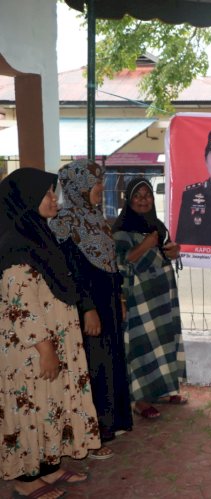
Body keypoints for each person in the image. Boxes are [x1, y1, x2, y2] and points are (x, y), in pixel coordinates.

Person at [0, 168, 100, 499]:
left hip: (49, 342)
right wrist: (45, 348)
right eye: (46, 194)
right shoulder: (14, 246)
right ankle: (25, 478)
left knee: (48, 404)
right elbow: (20, 306)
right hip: (31, 347)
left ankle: (48, 464)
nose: (53, 198)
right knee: (31, 406)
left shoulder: (38, 237)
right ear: (26, 199)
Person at [48, 160, 133, 459]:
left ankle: (109, 422)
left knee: (109, 357)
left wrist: (119, 300)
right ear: (78, 186)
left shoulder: (94, 218)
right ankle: (93, 431)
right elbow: (71, 271)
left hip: (107, 298)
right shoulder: (64, 221)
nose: (101, 188)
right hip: (89, 302)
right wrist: (88, 308)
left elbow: (111, 265)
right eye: (95, 183)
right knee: (93, 361)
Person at [113, 178, 186, 420]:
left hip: (162, 296)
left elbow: (165, 251)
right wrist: (145, 245)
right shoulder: (120, 230)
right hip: (138, 297)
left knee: (163, 340)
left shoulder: (157, 224)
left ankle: (165, 390)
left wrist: (173, 251)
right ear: (128, 199)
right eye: (138, 195)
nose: (143, 200)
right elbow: (120, 262)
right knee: (142, 343)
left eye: (147, 195)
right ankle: (141, 400)